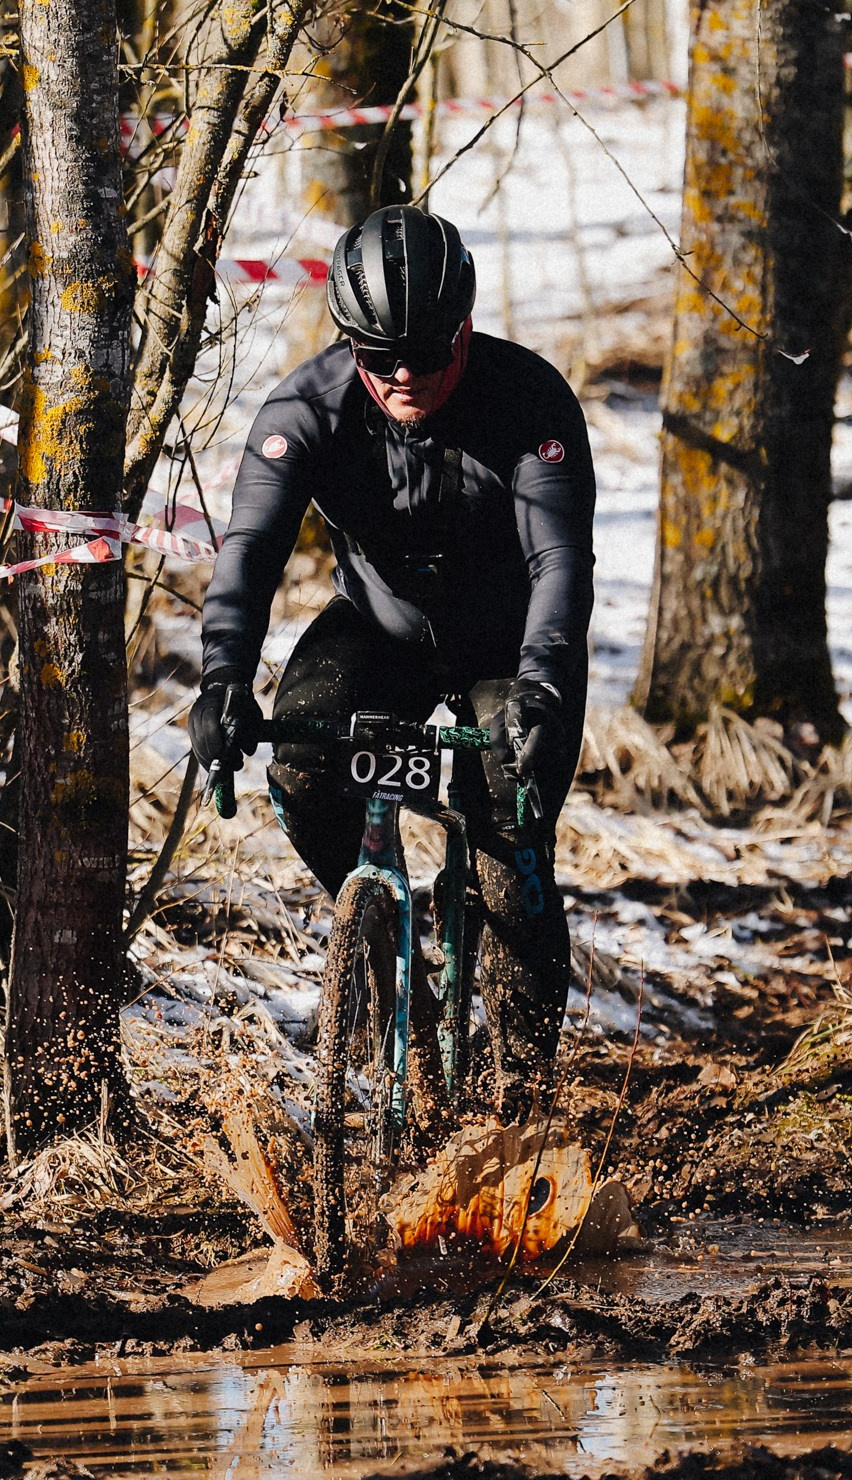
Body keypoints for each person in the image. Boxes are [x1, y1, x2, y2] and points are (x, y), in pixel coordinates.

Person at [189, 206, 596, 1120]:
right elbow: (249, 551)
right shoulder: (305, 410)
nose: (403, 374)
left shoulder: (529, 404)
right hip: (383, 630)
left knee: (506, 849)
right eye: (378, 356)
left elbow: (560, 564)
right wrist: (223, 681)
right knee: (300, 770)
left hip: (512, 645)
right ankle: (380, 956)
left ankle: (520, 1103)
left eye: (423, 350)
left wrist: (542, 688)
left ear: (464, 329)